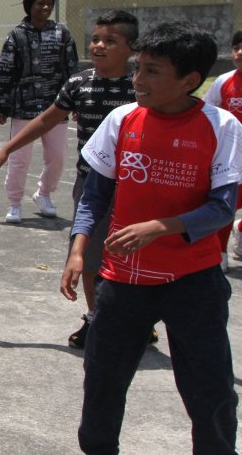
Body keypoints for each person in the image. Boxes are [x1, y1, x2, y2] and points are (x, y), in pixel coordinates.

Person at [60, 23, 240, 454]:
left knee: (211, 391)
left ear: (190, 81)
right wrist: (79, 248)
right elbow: (95, 195)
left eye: (153, 71)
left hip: (192, 282)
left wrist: (162, 226)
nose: (138, 80)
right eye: (139, 68)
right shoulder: (122, 120)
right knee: (102, 382)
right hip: (122, 283)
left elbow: (222, 207)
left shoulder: (222, 126)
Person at [0, 11, 140, 349]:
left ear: (131, 47)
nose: (99, 46)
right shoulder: (78, 83)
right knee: (86, 256)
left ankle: (136, 318)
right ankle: (96, 318)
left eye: (110, 41)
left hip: (137, 189)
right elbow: (45, 121)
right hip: (92, 185)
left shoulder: (140, 87)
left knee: (133, 256)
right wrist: (7, 149)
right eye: (96, 39)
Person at [0, 0, 79, 223]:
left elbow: (72, 69)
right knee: (20, 158)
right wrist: (2, 103)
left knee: (57, 156)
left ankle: (43, 194)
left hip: (56, 106)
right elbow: (5, 70)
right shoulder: (17, 35)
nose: (45, 8)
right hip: (24, 106)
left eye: (49, 3)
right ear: (29, 6)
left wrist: (77, 102)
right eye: (40, 3)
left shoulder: (62, 34)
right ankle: (14, 203)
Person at [201, 28, 242, 271]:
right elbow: (207, 112)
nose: (240, 52)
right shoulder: (224, 81)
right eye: (236, 48)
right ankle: (220, 252)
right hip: (234, 155)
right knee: (229, 203)